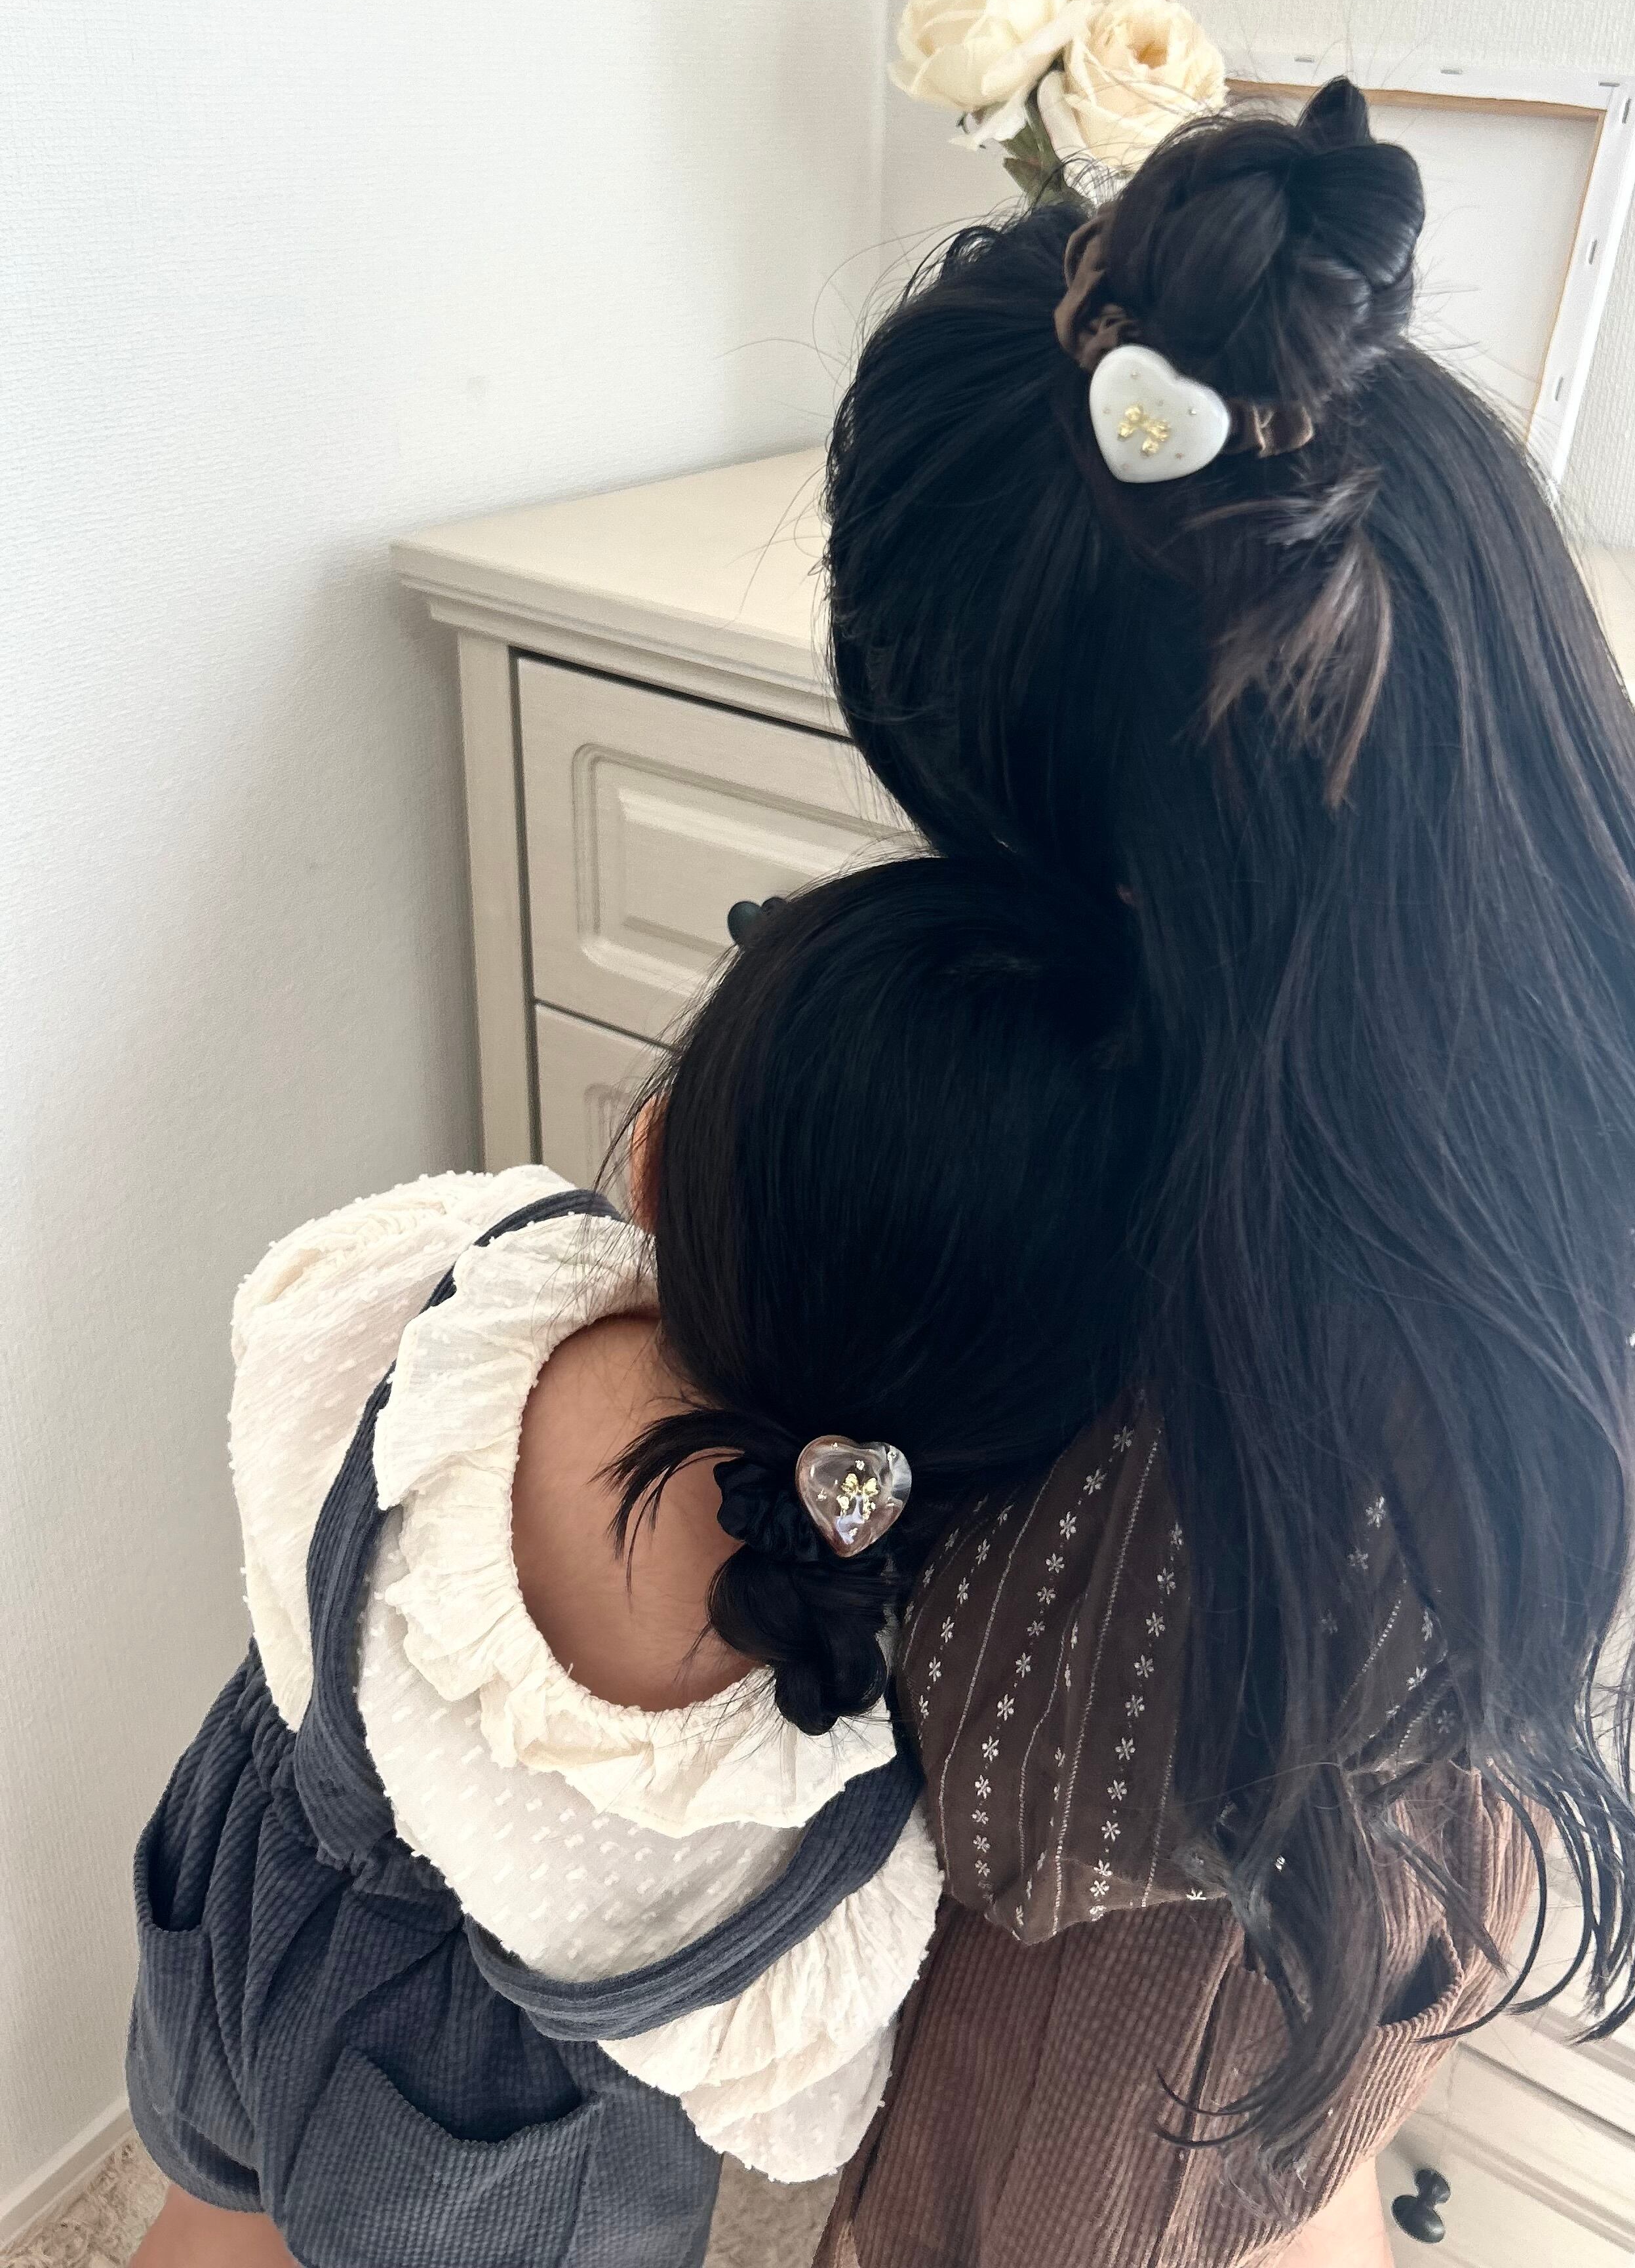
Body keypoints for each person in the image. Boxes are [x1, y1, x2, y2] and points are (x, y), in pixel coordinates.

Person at [812, 81, 1635, 2263]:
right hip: (1380, 1876)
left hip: (1145, 1975)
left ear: (1115, 880)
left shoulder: (1217, 1422)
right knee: (1292, 2175)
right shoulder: (1631, 956)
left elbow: (1013, 1800)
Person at [126, 856, 1156, 2268]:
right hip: (487, 2134)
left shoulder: (461, 1278)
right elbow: (798, 2115)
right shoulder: (814, 1777)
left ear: (655, 1158)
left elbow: (281, 1373)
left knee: (206, 2223)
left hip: (247, 1885)